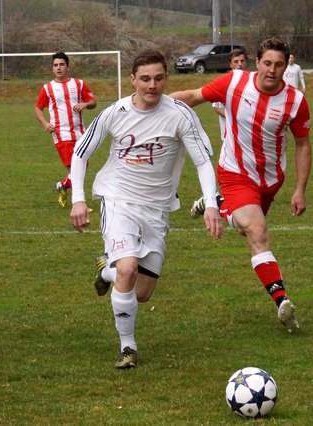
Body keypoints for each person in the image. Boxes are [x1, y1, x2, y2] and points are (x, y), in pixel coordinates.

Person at [70, 49, 223, 369]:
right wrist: (79, 199)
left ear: (166, 78)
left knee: (142, 292)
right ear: (132, 80)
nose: (152, 85)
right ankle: (128, 348)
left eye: (158, 78)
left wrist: (211, 204)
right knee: (128, 269)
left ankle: (105, 270)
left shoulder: (180, 114)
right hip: (118, 200)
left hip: (157, 209)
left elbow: (202, 162)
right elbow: (81, 153)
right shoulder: (116, 112)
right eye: (145, 79)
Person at [170, 37, 312, 334]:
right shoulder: (234, 82)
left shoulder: (295, 100)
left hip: (271, 180)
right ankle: (283, 303)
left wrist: (300, 189)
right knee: (258, 233)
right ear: (256, 62)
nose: (272, 70)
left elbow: (302, 144)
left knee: (246, 227)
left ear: (287, 66)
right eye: (267, 63)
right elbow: (194, 95)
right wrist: (153, 102)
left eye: (279, 65)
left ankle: (219, 204)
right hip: (235, 172)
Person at [191, 48, 249, 217]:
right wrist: (235, 115)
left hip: (249, 136)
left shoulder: (251, 82)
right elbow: (216, 106)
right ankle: (215, 199)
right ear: (230, 64)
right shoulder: (226, 82)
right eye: (235, 62)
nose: (239, 64)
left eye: (242, 61)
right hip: (230, 136)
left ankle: (222, 198)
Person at [35, 52, 96, 208]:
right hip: (61, 133)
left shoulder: (79, 84)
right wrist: (45, 123)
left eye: (61, 64)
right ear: (52, 68)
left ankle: (63, 186)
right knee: (75, 167)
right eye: (55, 65)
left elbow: (93, 102)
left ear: (68, 66)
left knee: (82, 166)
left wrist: (86, 104)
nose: (58, 68)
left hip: (81, 132)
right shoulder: (47, 88)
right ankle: (80, 203)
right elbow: (38, 109)